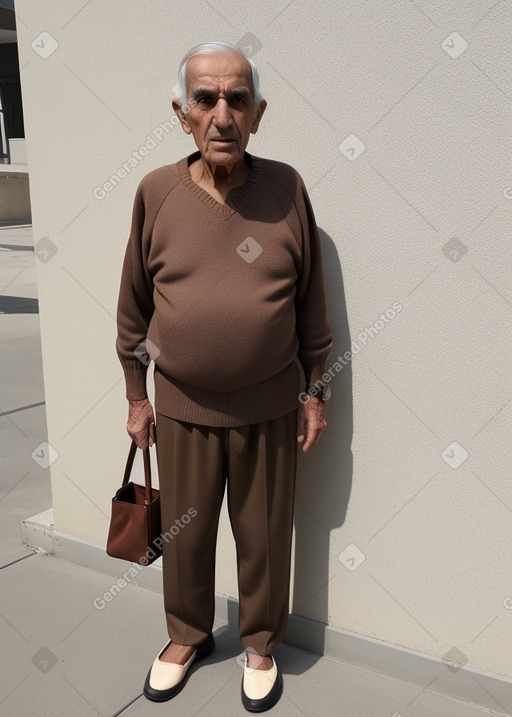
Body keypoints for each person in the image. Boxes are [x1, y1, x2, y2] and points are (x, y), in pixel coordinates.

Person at [115, 40, 333, 713]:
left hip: (270, 404)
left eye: (237, 99)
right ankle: (185, 635)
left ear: (258, 113)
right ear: (182, 114)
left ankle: (260, 642)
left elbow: (310, 305)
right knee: (184, 534)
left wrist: (315, 390)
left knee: (265, 532)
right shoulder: (156, 192)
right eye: (205, 99)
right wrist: (135, 393)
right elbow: (133, 305)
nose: (222, 114)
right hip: (180, 405)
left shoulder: (288, 187)